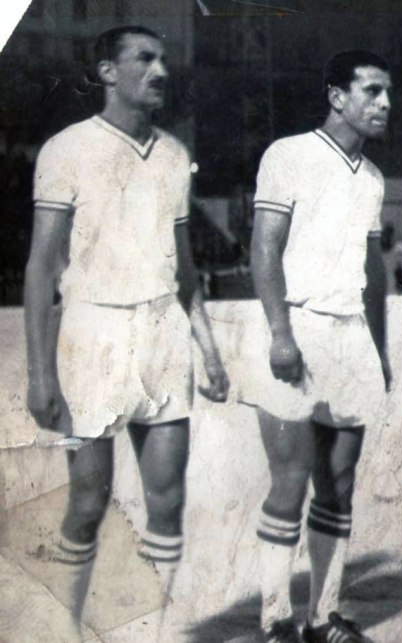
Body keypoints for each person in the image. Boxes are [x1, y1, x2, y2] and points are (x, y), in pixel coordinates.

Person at [24, 25, 228, 638]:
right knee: (88, 505)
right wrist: (40, 375)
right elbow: (41, 266)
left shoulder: (172, 154)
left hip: (163, 332)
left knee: (167, 504)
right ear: (108, 71)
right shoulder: (66, 150)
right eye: (146, 58)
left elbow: (185, 267)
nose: (161, 70)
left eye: (165, 59)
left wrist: (210, 352)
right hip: (93, 335)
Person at [241, 50, 391, 643]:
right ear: (336, 96)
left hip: (350, 335)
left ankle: (323, 616)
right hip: (295, 327)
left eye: (388, 93)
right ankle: (276, 618)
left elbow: (372, 269)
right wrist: (280, 333)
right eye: (372, 91)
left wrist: (378, 350)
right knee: (290, 479)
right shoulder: (289, 155)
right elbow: (263, 250)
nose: (385, 104)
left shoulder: (375, 179)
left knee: (340, 480)